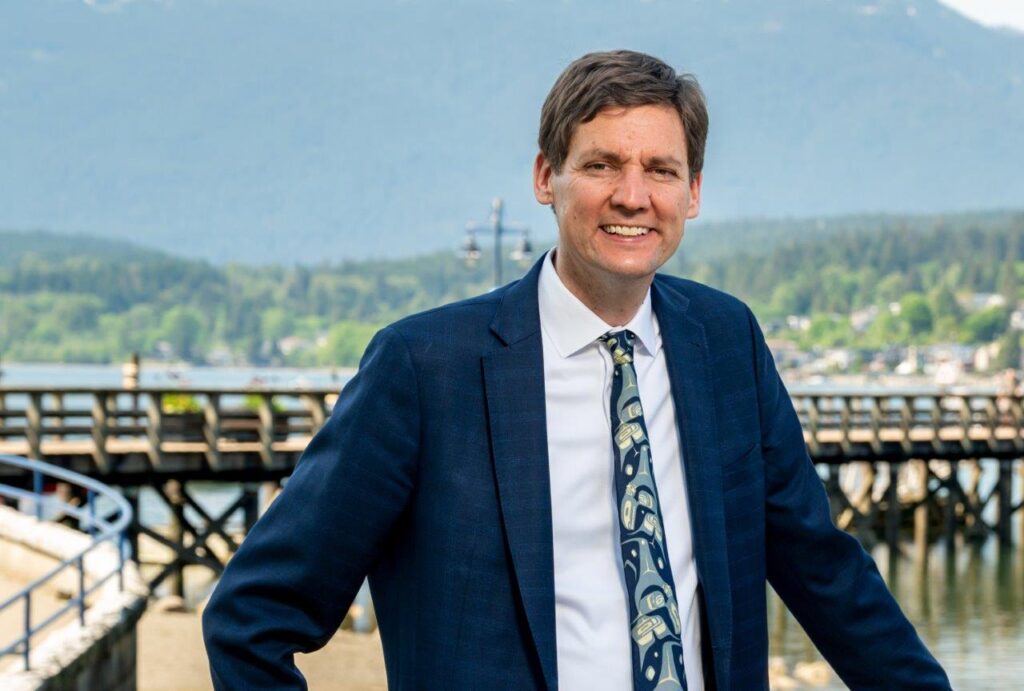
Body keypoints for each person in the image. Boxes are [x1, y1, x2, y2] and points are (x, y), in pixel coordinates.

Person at [202, 50, 950, 690]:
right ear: (545, 176)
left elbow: (827, 575)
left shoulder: (727, 343)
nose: (633, 195)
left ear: (692, 192)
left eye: (661, 169)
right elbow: (252, 617)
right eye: (602, 164)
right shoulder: (425, 369)